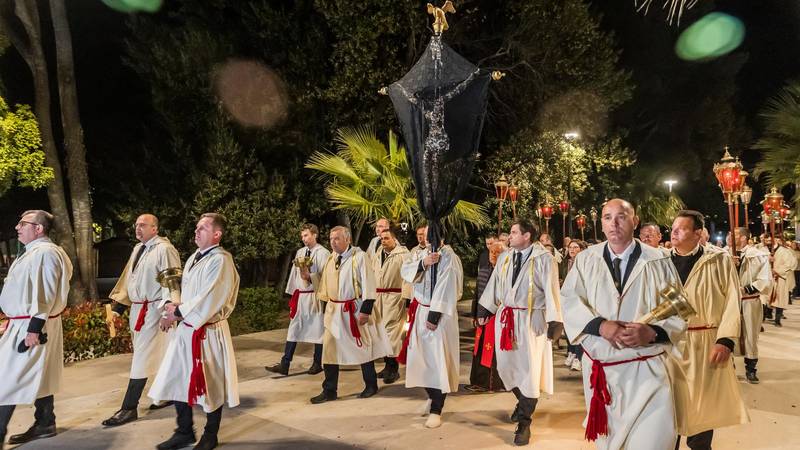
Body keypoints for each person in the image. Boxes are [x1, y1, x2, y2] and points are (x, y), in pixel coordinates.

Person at [561, 199, 687, 450]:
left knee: (651, 442)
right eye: (607, 217)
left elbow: (679, 310)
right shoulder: (587, 260)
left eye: (621, 216)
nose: (614, 223)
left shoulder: (658, 261)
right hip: (602, 376)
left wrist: (653, 332)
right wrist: (599, 326)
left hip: (647, 372)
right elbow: (569, 300)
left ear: (635, 221)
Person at [149, 213, 240, 450]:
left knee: (210, 383)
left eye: (203, 228)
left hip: (207, 332)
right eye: (196, 228)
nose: (196, 232)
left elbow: (211, 297)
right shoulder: (193, 258)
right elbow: (184, 292)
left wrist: (177, 313)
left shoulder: (221, 260)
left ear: (217, 234)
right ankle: (184, 431)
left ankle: (211, 434)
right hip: (186, 330)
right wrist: (170, 308)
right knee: (177, 378)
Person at [666, 211, 749, 450]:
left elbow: (733, 298)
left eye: (681, 228)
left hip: (706, 341)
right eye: (673, 227)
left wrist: (725, 340)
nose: (674, 232)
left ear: (698, 233)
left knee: (703, 406)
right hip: (672, 343)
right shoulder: (662, 261)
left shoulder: (718, 260)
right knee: (671, 405)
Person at [478, 219, 562, 446]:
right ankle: (522, 401)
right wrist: (484, 309)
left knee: (530, 371)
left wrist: (555, 322)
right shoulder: (505, 257)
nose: (509, 236)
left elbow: (552, 289)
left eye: (514, 232)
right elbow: (494, 285)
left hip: (530, 320)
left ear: (527, 236)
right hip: (506, 320)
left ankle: (524, 423)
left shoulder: (545, 259)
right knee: (506, 367)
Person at [0, 211, 72, 449]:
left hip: (32, 326)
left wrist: (33, 329)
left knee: (6, 380)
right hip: (25, 322)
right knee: (41, 375)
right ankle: (45, 423)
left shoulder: (45, 253)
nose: (17, 227)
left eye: (23, 223)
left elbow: (45, 293)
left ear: (39, 229)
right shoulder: (34, 252)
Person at [103, 214, 181, 427]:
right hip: (139, 309)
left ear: (155, 229)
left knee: (142, 358)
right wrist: (119, 308)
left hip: (155, 309)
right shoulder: (138, 249)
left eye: (143, 225)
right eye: (136, 225)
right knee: (159, 354)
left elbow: (173, 281)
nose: (138, 229)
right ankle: (166, 395)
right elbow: (129, 279)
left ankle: (129, 407)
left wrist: (169, 311)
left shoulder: (164, 249)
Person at [311, 226, 384, 404]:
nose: (332, 242)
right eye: (330, 239)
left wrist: (366, 309)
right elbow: (325, 284)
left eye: (336, 239)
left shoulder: (359, 257)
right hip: (334, 310)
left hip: (354, 309)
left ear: (347, 240)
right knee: (329, 350)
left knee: (362, 348)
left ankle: (371, 385)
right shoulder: (331, 258)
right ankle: (329, 390)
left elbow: (368, 282)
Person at [400, 227, 463, 428]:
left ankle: (437, 408)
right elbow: (405, 270)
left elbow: (447, 288)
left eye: (429, 235)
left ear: (440, 237)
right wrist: (422, 263)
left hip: (439, 316)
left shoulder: (449, 257)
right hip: (420, 312)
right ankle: (430, 396)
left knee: (438, 362)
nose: (425, 238)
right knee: (420, 360)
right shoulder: (421, 253)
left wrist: (434, 316)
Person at [266, 224, 330, 375]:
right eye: (302, 236)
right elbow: (294, 276)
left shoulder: (323, 253)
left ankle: (317, 363)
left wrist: (310, 277)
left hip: (315, 296)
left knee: (318, 330)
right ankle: (285, 364)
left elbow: (326, 277)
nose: (304, 239)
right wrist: (293, 294)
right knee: (293, 330)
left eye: (306, 235)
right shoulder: (300, 252)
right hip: (301, 296)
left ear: (315, 235)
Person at [372, 227, 412, 384]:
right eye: (381, 238)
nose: (383, 241)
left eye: (386, 238)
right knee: (381, 333)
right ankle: (386, 366)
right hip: (378, 298)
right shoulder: (378, 254)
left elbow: (408, 279)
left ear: (395, 239)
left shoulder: (403, 256)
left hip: (394, 298)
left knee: (393, 335)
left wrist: (406, 301)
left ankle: (393, 369)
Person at [732, 227, 771, 384]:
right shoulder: (724, 254)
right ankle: (730, 367)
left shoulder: (759, 255)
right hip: (732, 302)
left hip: (750, 300)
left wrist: (747, 288)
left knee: (750, 336)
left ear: (742, 238)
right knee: (730, 332)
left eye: (733, 235)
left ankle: (751, 369)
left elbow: (765, 279)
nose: (729, 237)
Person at [467, 238, 505, 393]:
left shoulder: (504, 273)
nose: (493, 255)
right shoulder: (483, 270)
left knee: (493, 353)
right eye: (491, 252)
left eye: (497, 252)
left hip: (497, 318)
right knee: (479, 350)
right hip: (483, 317)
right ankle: (478, 381)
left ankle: (492, 384)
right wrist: (474, 314)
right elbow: (478, 294)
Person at [561, 240, 587, 371]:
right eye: (570, 247)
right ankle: (572, 351)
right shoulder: (564, 264)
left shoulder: (585, 263)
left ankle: (579, 357)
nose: (572, 250)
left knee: (579, 330)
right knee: (568, 329)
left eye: (575, 247)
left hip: (580, 301)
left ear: (581, 249)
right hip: (566, 300)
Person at [771, 239, 797, 327]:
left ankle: (777, 318)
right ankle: (766, 315)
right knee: (766, 298)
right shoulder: (764, 249)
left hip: (780, 277)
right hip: (768, 277)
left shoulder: (785, 251)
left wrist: (777, 271)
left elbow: (789, 264)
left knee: (780, 298)